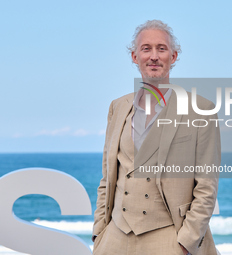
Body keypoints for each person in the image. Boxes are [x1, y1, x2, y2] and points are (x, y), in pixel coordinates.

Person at [92, 20, 221, 255]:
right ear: (134, 56)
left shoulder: (200, 109)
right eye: (146, 48)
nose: (153, 56)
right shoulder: (117, 107)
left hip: (168, 237)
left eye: (161, 49)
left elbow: (207, 185)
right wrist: (99, 232)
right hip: (115, 237)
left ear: (173, 56)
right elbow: (108, 176)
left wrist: (186, 242)